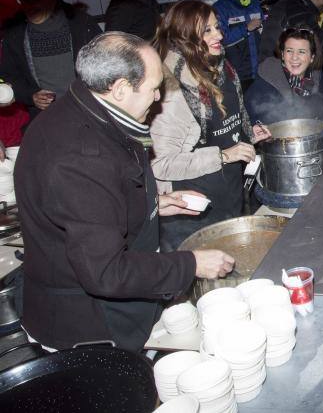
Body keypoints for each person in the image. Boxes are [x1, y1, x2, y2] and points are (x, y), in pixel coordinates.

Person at [15, 32, 235, 352]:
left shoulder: (91, 108)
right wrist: (190, 265)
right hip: (87, 328)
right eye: (153, 88)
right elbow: (106, 272)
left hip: (108, 306)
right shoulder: (78, 158)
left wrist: (152, 203)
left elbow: (96, 203)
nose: (159, 97)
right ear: (120, 88)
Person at [151, 0, 271, 252]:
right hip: (192, 212)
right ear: (184, 37)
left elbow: (227, 122)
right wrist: (225, 155)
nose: (219, 34)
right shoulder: (172, 87)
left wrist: (248, 135)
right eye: (207, 30)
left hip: (229, 193)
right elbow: (161, 164)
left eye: (217, 27)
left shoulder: (220, 66)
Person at [0, 0, 101, 120]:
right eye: (25, 0)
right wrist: (31, 95)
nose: (31, 5)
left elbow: (107, 61)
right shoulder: (15, 36)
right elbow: (9, 75)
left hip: (88, 111)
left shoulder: (82, 24)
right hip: (47, 118)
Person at [246, 27, 323, 132]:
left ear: (312, 57)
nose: (294, 57)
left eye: (301, 52)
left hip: (321, 143)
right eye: (289, 51)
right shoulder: (264, 84)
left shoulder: (320, 80)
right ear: (282, 54)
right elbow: (249, 124)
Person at [213, 0, 263, 91]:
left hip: (258, 70)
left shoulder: (255, 3)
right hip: (237, 74)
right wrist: (246, 28)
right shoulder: (221, 8)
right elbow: (221, 39)